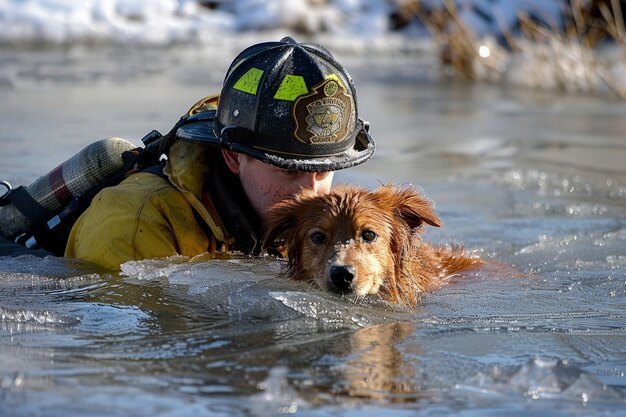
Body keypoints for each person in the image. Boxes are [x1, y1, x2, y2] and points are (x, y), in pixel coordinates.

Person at [63, 37, 375, 271]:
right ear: (234, 157)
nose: (312, 194)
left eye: (323, 172)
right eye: (288, 171)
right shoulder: (135, 221)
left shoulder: (298, 224)